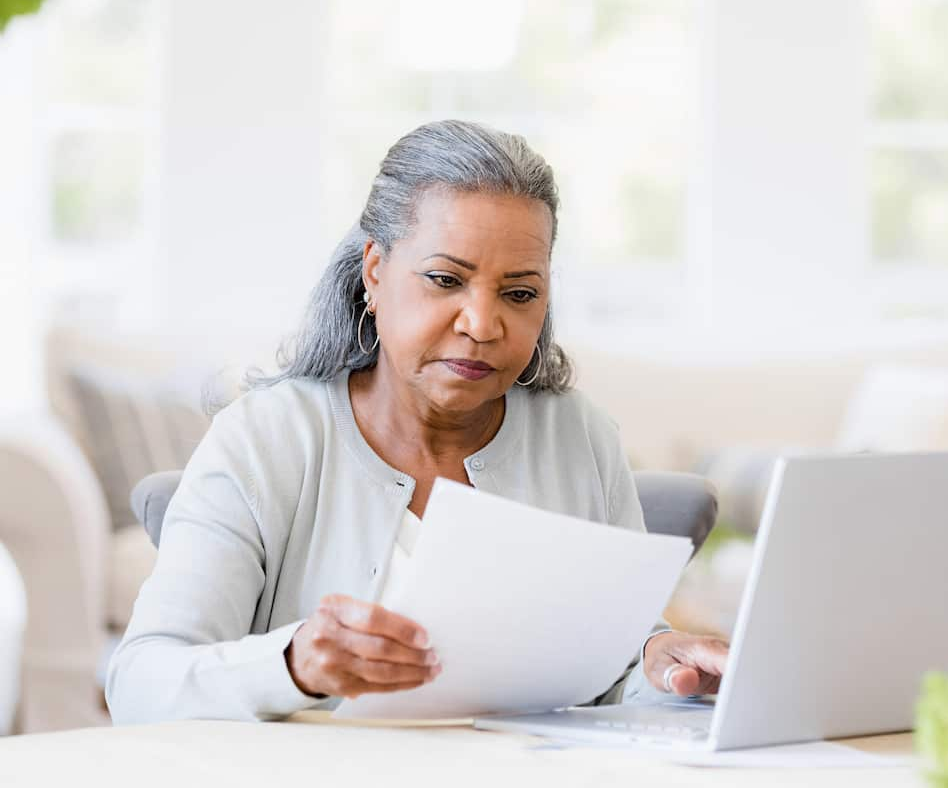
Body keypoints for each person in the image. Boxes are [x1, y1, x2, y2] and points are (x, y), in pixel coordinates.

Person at [105, 120, 729, 724]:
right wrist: (293, 666)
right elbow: (141, 684)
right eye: (445, 279)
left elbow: (613, 672)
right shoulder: (265, 437)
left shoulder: (580, 435)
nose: (482, 324)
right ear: (374, 272)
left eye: (519, 293)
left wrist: (657, 665)